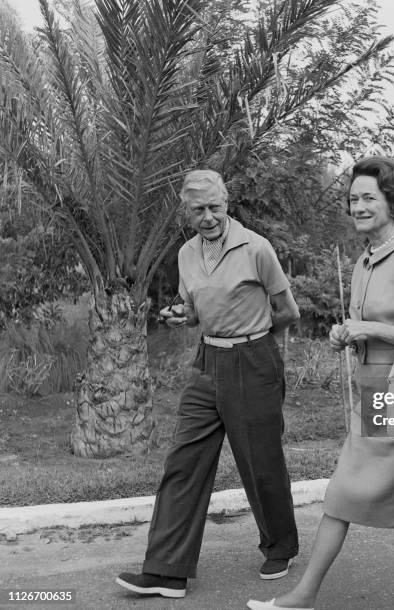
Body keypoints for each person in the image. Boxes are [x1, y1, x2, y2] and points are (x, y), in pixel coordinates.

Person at [247, 156, 394, 610]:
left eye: (367, 198)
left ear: (393, 202)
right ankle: (304, 595)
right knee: (340, 494)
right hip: (373, 394)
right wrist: (347, 334)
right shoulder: (363, 261)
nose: (356, 206)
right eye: (352, 199)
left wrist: (369, 330)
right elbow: (366, 327)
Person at [115, 169, 300, 598]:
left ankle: (280, 545)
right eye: (199, 210)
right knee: (184, 460)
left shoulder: (256, 248)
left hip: (253, 360)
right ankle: (166, 571)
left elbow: (288, 311)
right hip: (206, 362)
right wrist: (182, 315)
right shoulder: (186, 254)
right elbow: (194, 308)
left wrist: (254, 340)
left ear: (226, 203)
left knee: (260, 462)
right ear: (187, 212)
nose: (209, 216)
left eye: (215, 207)